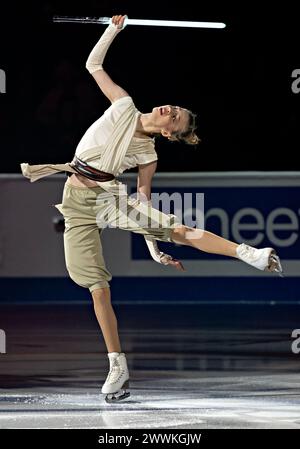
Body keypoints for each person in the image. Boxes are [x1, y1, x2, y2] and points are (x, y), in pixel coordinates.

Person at [20, 14, 282, 403]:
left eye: (174, 118)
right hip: (76, 202)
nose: (169, 110)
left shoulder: (148, 154)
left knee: (175, 228)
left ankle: (249, 253)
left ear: (167, 133)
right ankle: (117, 364)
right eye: (173, 108)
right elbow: (93, 65)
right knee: (96, 287)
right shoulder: (123, 104)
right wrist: (113, 29)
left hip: (109, 199)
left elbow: (143, 204)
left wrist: (154, 247)